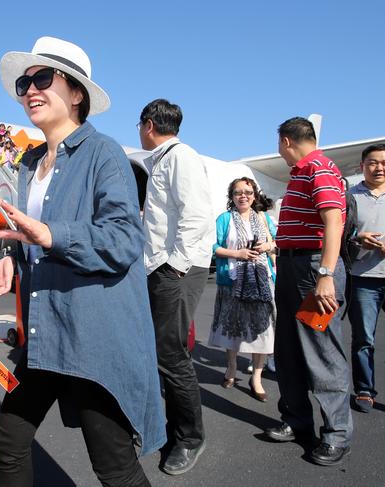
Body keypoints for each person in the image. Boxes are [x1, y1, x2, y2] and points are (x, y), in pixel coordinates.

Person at [0, 36, 165, 487]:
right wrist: (12, 258)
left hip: (92, 335)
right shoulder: (29, 163)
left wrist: (48, 235)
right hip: (47, 334)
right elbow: (33, 235)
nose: (30, 89)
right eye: (25, 82)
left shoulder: (105, 153)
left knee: (114, 467)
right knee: (8, 439)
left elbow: (124, 239)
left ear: (77, 93)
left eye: (42, 78)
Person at [264, 116, 352, 466]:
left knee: (322, 350)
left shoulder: (319, 168)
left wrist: (326, 274)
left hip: (313, 270)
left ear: (285, 140)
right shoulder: (300, 172)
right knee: (288, 350)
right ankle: (297, 420)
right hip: (290, 267)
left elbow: (334, 220)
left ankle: (336, 434)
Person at [137, 98, 214, 475]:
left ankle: (190, 438)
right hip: (161, 267)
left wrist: (175, 266)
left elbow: (198, 215)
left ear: (148, 125)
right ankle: (169, 430)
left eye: (139, 126)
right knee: (159, 353)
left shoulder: (180, 157)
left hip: (178, 270)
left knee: (170, 356)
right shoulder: (164, 160)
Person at [208, 177, 276, 401]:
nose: (243, 195)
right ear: (232, 197)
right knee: (233, 329)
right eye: (237, 192)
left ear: (254, 195)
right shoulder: (224, 219)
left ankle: (256, 377)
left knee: (263, 332)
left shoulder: (264, 218)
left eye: (247, 191)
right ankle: (231, 367)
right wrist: (237, 254)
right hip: (232, 280)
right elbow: (212, 246)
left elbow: (278, 241)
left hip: (261, 281)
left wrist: (267, 245)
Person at [347, 143, 385, 413]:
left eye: (383, 162)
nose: (379, 167)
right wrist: (357, 238)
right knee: (364, 339)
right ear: (362, 166)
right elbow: (339, 234)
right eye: (372, 162)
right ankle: (364, 389)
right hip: (363, 277)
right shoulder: (350, 197)